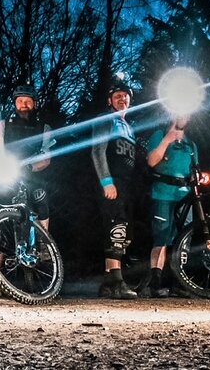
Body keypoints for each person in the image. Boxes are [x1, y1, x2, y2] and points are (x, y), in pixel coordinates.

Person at [0, 85, 53, 297]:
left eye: (28, 101)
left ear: (35, 104)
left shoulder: (44, 127)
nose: (24, 105)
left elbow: (47, 157)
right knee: (0, 225)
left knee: (41, 200)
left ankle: (44, 244)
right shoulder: (3, 125)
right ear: (14, 104)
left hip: (32, 173)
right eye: (20, 101)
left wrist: (31, 167)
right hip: (8, 173)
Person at [91, 80, 139, 299]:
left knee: (123, 228)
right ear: (110, 100)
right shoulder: (106, 119)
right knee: (116, 226)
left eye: (125, 96)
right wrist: (106, 181)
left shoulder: (129, 127)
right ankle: (118, 282)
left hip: (127, 183)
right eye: (117, 96)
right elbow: (97, 151)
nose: (122, 99)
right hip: (112, 181)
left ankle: (108, 282)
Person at [144, 115, 198, 298]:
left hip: (185, 196)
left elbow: (195, 170)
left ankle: (179, 283)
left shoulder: (191, 144)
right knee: (161, 238)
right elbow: (152, 161)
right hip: (162, 193)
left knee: (184, 239)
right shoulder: (159, 135)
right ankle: (155, 283)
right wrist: (167, 139)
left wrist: (198, 177)